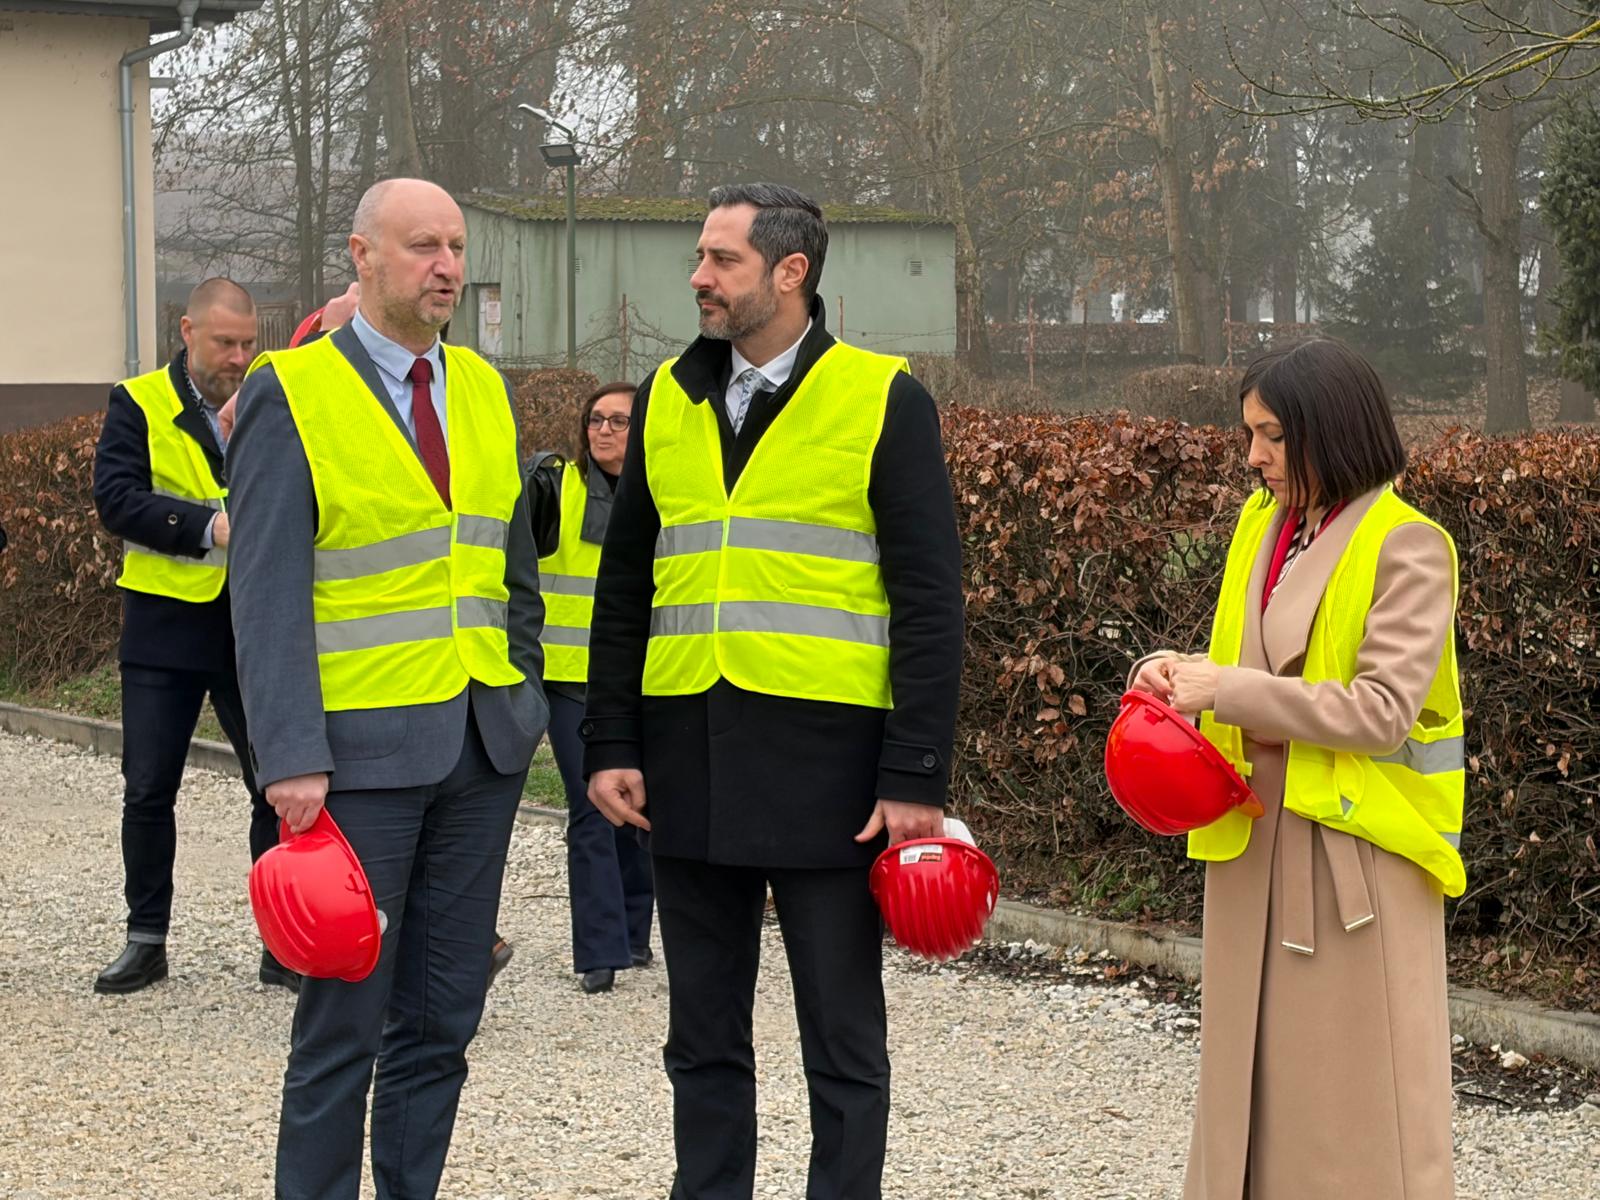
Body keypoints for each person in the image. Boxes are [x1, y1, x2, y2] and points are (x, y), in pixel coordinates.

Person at [583, 183, 964, 1199]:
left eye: (723, 260)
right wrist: (609, 741)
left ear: (790, 272)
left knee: (842, 1040)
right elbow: (625, 586)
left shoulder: (883, 399)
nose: (699, 278)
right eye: (700, 257)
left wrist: (914, 771)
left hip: (831, 779)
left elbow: (930, 601)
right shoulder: (664, 398)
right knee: (701, 1038)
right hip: (686, 766)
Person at [227, 177, 547, 1200]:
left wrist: (525, 692)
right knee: (342, 1027)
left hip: (482, 748)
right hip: (356, 761)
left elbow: (512, 571)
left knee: (444, 1021)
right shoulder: (292, 390)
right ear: (362, 256)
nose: (446, 266)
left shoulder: (485, 389)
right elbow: (264, 589)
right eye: (422, 246)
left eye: (455, 246)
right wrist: (289, 756)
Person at [1129, 337, 1463, 1199]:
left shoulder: (1409, 546)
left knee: (1355, 1116)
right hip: (1251, 847)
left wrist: (1226, 688)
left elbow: (1381, 712)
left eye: (1273, 435)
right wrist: (1177, 673)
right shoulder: (1263, 523)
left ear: (1332, 429)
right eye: (1251, 434)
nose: (1254, 456)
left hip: (1356, 870)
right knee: (1248, 1098)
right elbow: (1238, 660)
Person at [90, 277, 292, 995]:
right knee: (148, 789)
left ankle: (284, 945)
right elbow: (117, 500)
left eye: (248, 344)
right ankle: (146, 940)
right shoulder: (138, 401)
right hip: (165, 630)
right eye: (225, 343)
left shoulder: (269, 397)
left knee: (277, 789)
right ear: (187, 331)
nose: (238, 357)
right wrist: (208, 526)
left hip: (252, 626)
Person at [526, 381, 653, 995]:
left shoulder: (665, 493)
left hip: (646, 677)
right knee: (591, 807)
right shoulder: (554, 487)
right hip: (567, 678)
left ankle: (634, 933)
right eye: (596, 419)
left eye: (620, 421)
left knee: (642, 803)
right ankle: (600, 950)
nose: (603, 430)